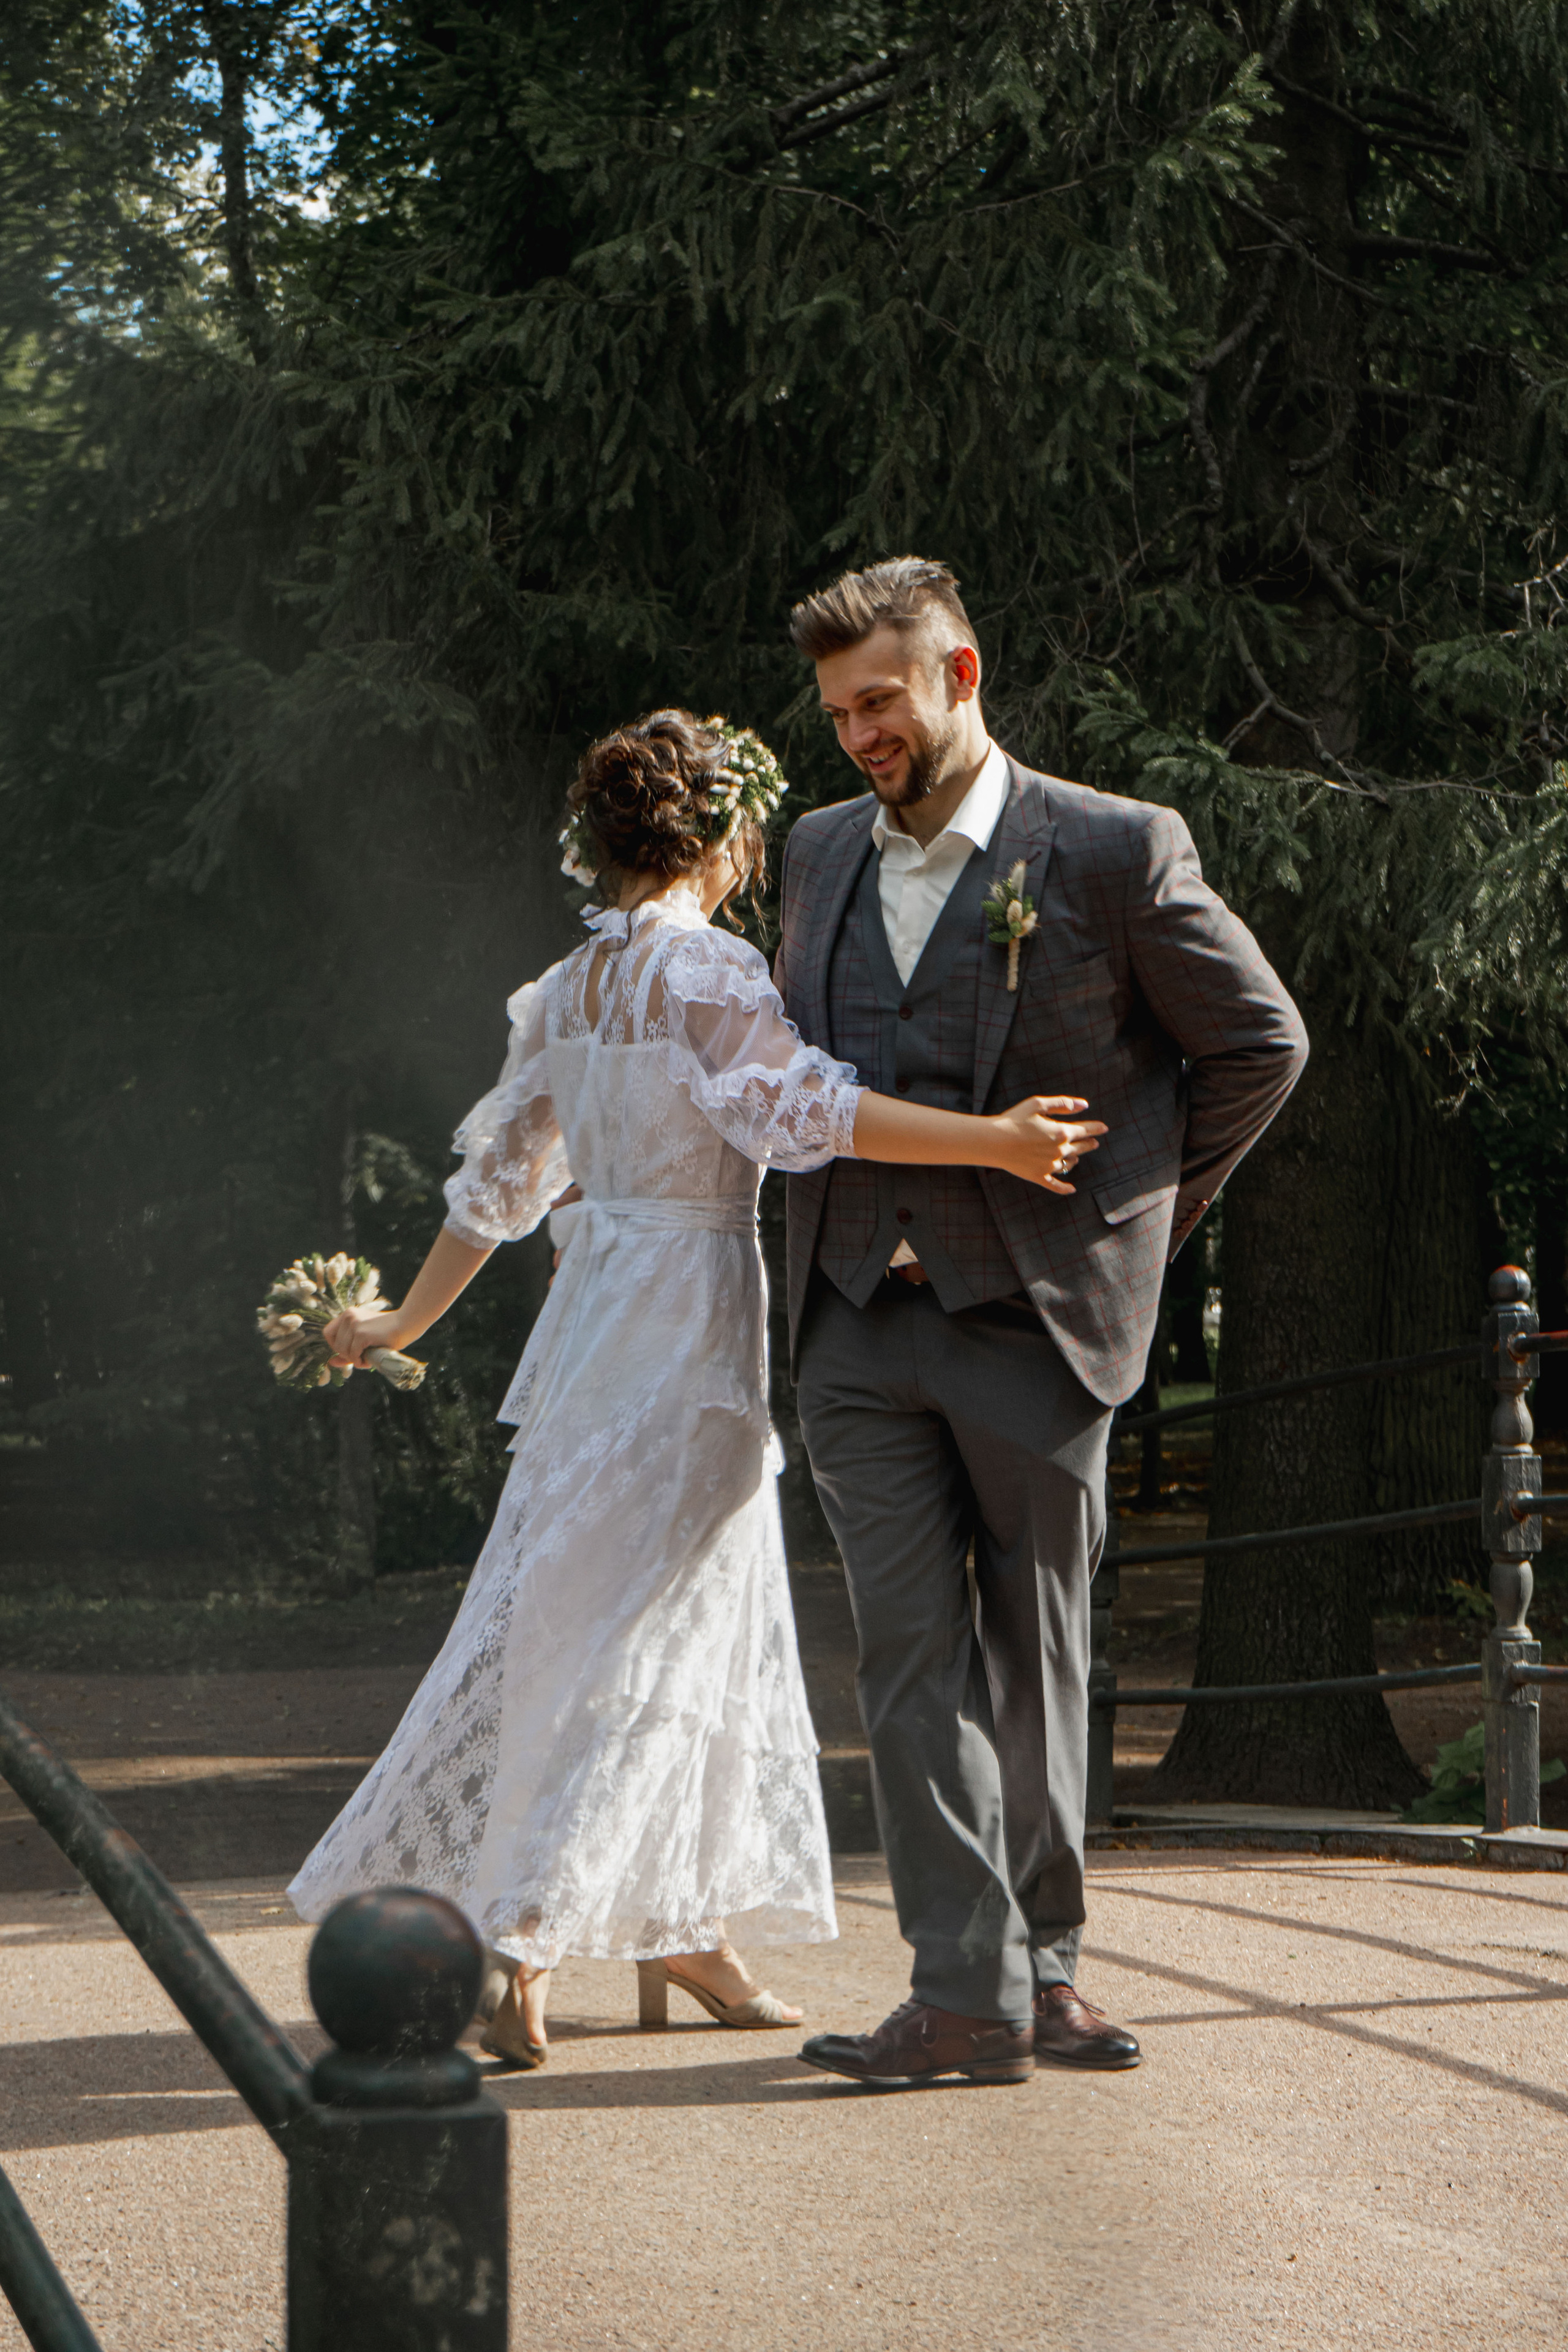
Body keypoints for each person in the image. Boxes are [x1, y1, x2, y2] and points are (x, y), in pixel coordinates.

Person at [287, 707, 1110, 2073]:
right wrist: (993, 1144)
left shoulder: (565, 992)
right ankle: (529, 1939)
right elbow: (804, 1113)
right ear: (722, 840)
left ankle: (684, 1927)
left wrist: (388, 1323)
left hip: (594, 1328)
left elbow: (495, 1192)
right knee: (650, 1630)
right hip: (684, 1330)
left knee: (632, 1615)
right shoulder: (706, 974)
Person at [777, 559, 1309, 2089]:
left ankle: (1044, 1970)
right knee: (905, 1662)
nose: (858, 735)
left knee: (1036, 1659)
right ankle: (962, 1992)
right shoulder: (814, 854)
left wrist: (1140, 1224)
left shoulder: (1107, 849)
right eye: (835, 713)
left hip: (1037, 1325)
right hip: (851, 1327)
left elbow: (1258, 1044)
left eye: (878, 699)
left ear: (959, 674)